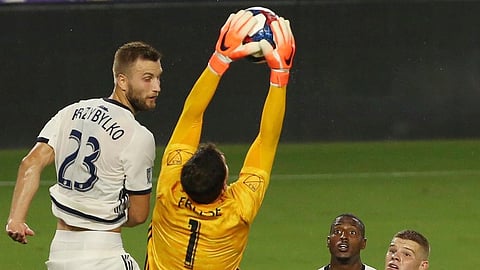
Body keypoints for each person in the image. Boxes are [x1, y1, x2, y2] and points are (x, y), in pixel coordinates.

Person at [145, 9, 295, 270]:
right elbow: (266, 140)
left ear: (183, 174)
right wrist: (279, 75)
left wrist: (219, 60)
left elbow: (191, 116)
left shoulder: (168, 191)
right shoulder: (238, 211)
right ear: (225, 186)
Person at [5, 41, 163, 270]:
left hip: (59, 253)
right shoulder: (139, 136)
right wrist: (101, 212)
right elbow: (138, 215)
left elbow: (31, 162)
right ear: (122, 81)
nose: (156, 87)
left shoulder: (71, 111)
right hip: (104, 254)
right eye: (147, 78)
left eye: (158, 78)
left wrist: (15, 220)